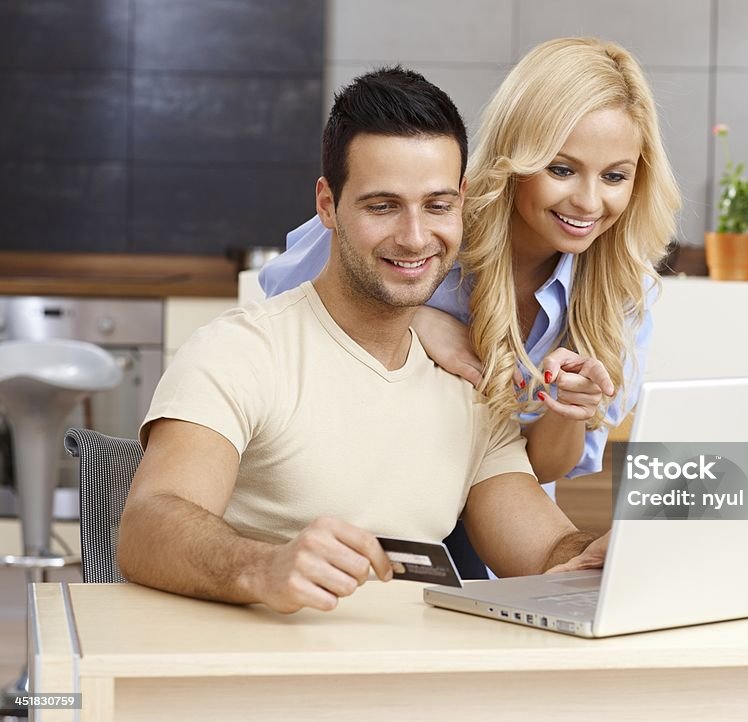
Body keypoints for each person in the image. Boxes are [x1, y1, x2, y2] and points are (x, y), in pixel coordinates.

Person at [117, 67, 606, 614]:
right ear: (327, 204)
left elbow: (546, 551)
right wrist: (263, 567)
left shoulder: (466, 383)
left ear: (462, 201)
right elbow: (147, 524)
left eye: (438, 205)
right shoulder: (241, 353)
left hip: (400, 683)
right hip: (254, 680)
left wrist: (602, 554)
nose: (416, 236)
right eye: (383, 206)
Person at [260, 38, 681, 573]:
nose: (589, 202)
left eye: (615, 176)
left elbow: (540, 467)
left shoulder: (623, 290)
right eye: (561, 169)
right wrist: (419, 321)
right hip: (361, 497)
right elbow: (287, 301)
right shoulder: (429, 220)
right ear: (518, 156)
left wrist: (566, 409)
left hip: (501, 514)